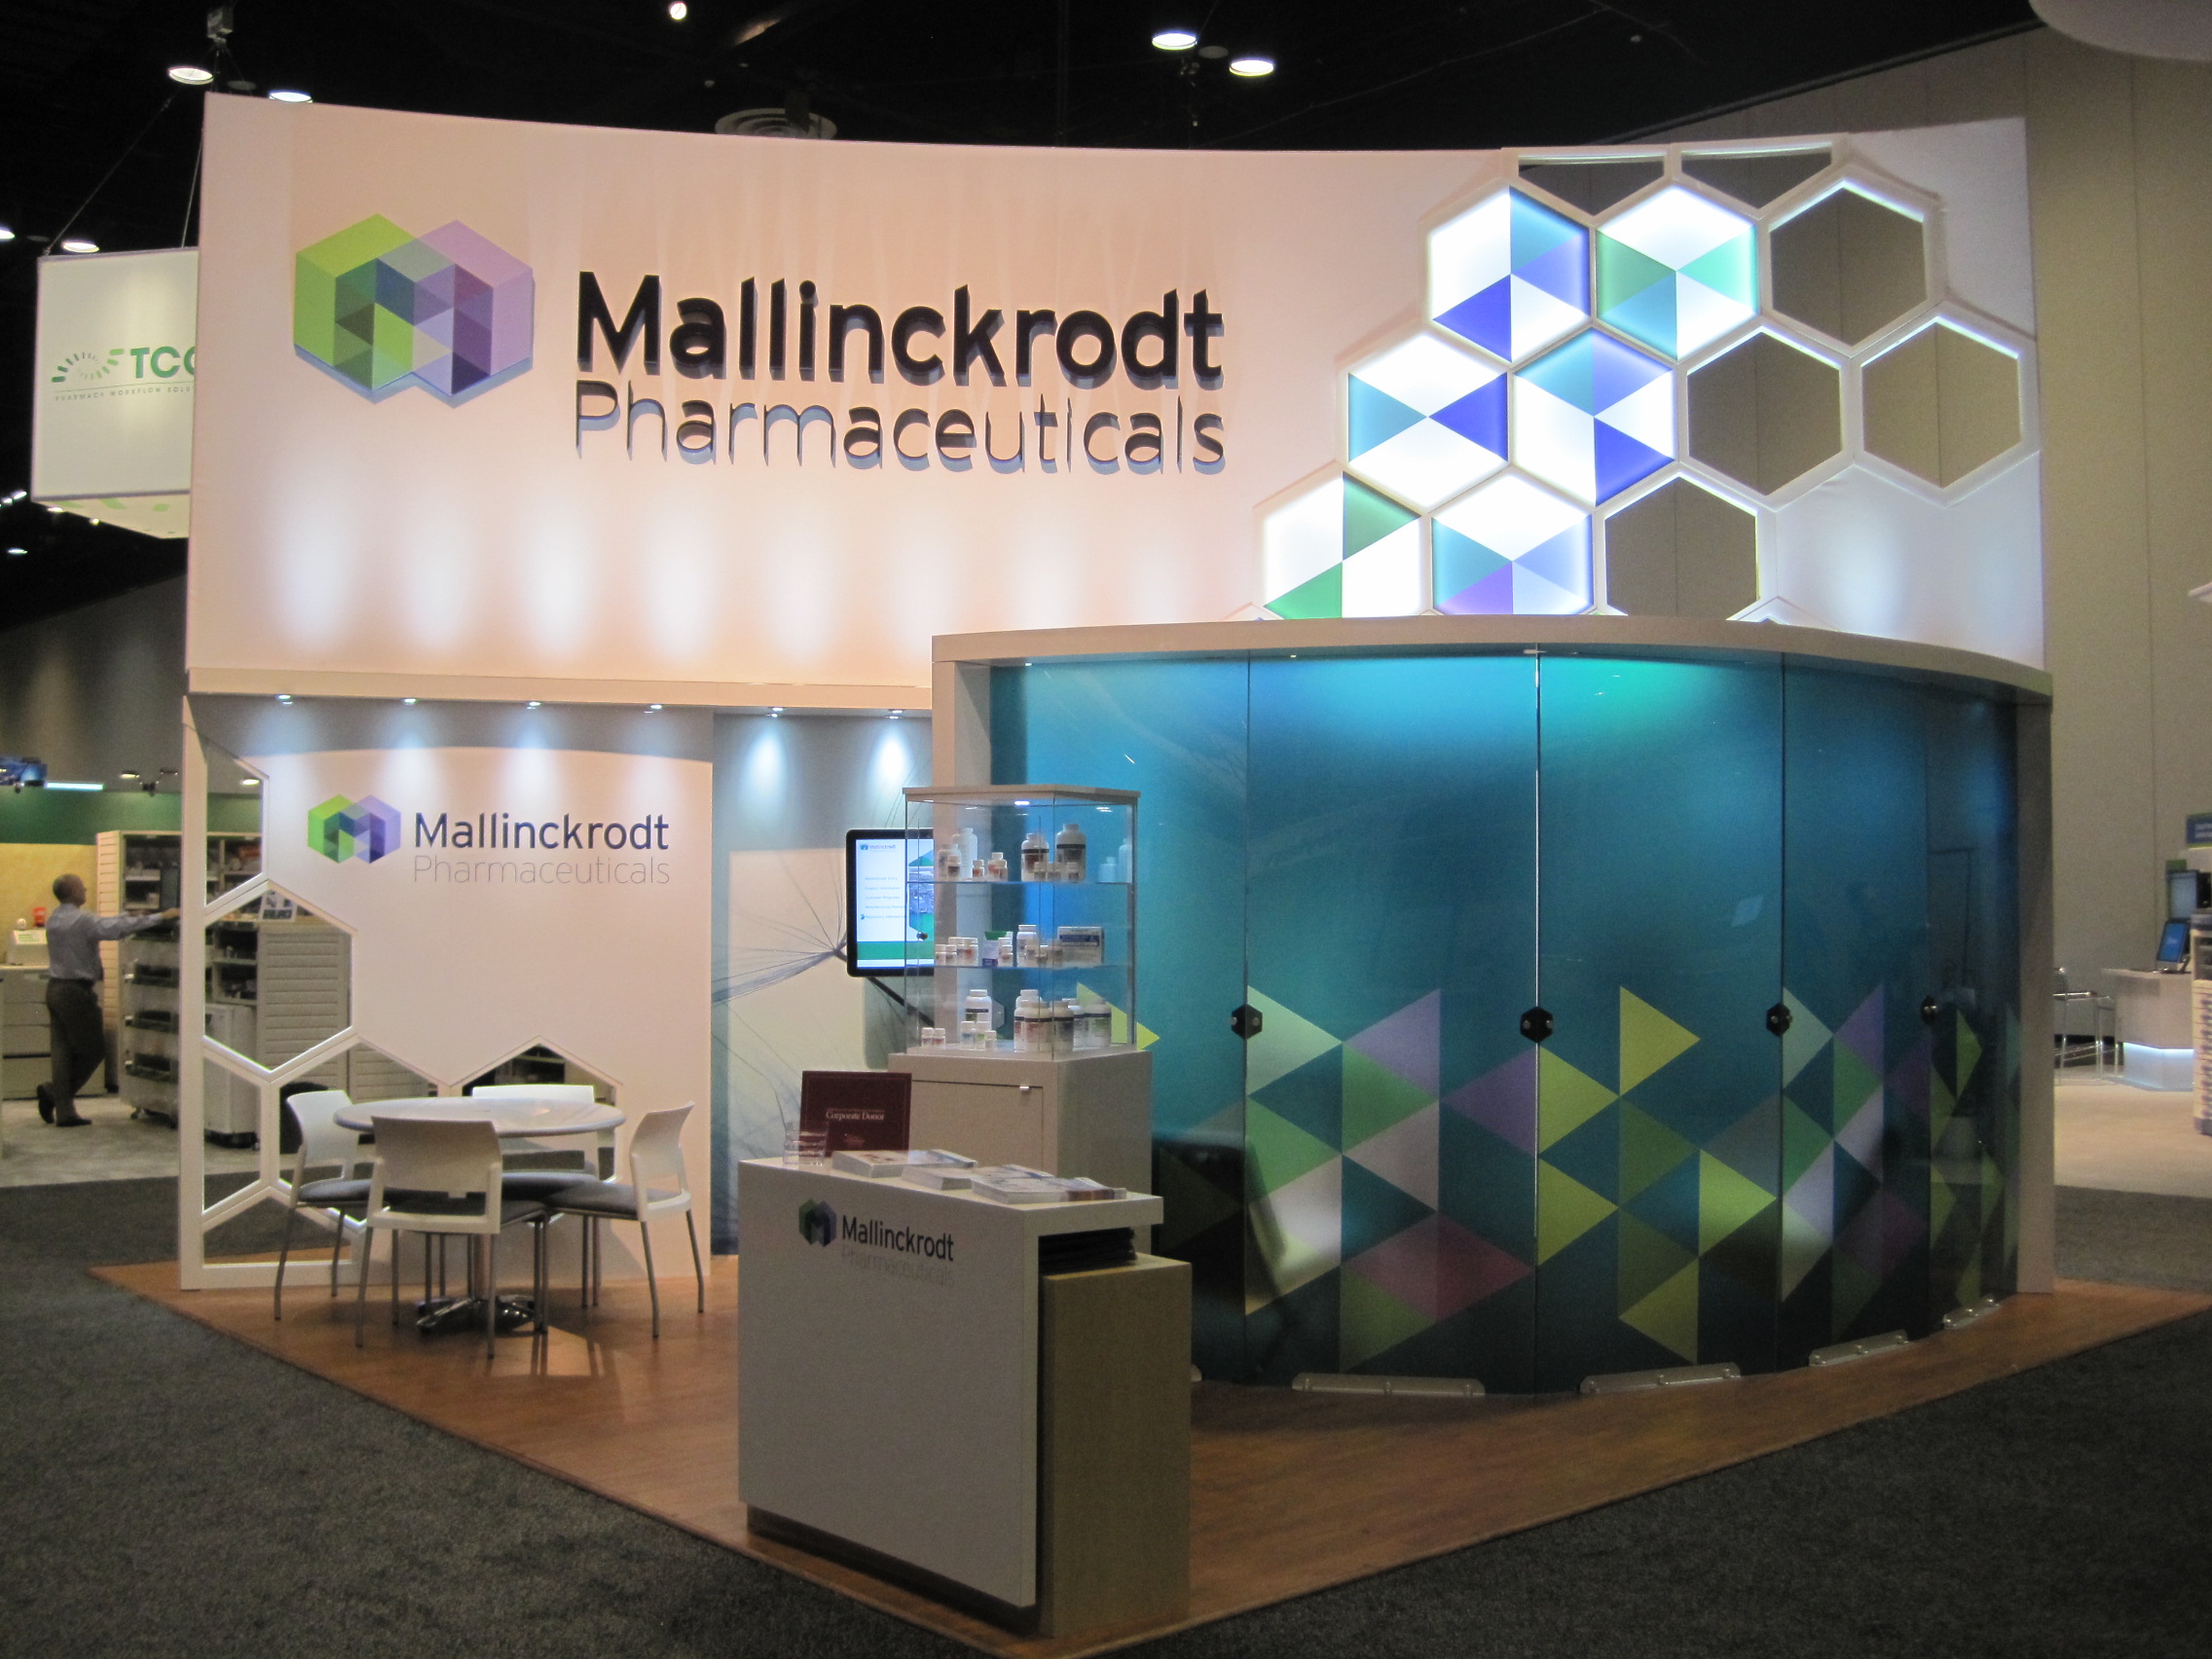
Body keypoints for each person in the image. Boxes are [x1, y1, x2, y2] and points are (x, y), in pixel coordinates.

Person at [37, 874, 177, 1128]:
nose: (86, 888)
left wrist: (130, 914)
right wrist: (159, 917)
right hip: (76, 993)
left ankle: (65, 1111)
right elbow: (113, 929)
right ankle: (54, 1094)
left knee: (62, 1051)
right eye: (81, 886)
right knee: (94, 1050)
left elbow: (104, 923)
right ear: (71, 892)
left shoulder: (56, 919)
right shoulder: (81, 920)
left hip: (55, 988)